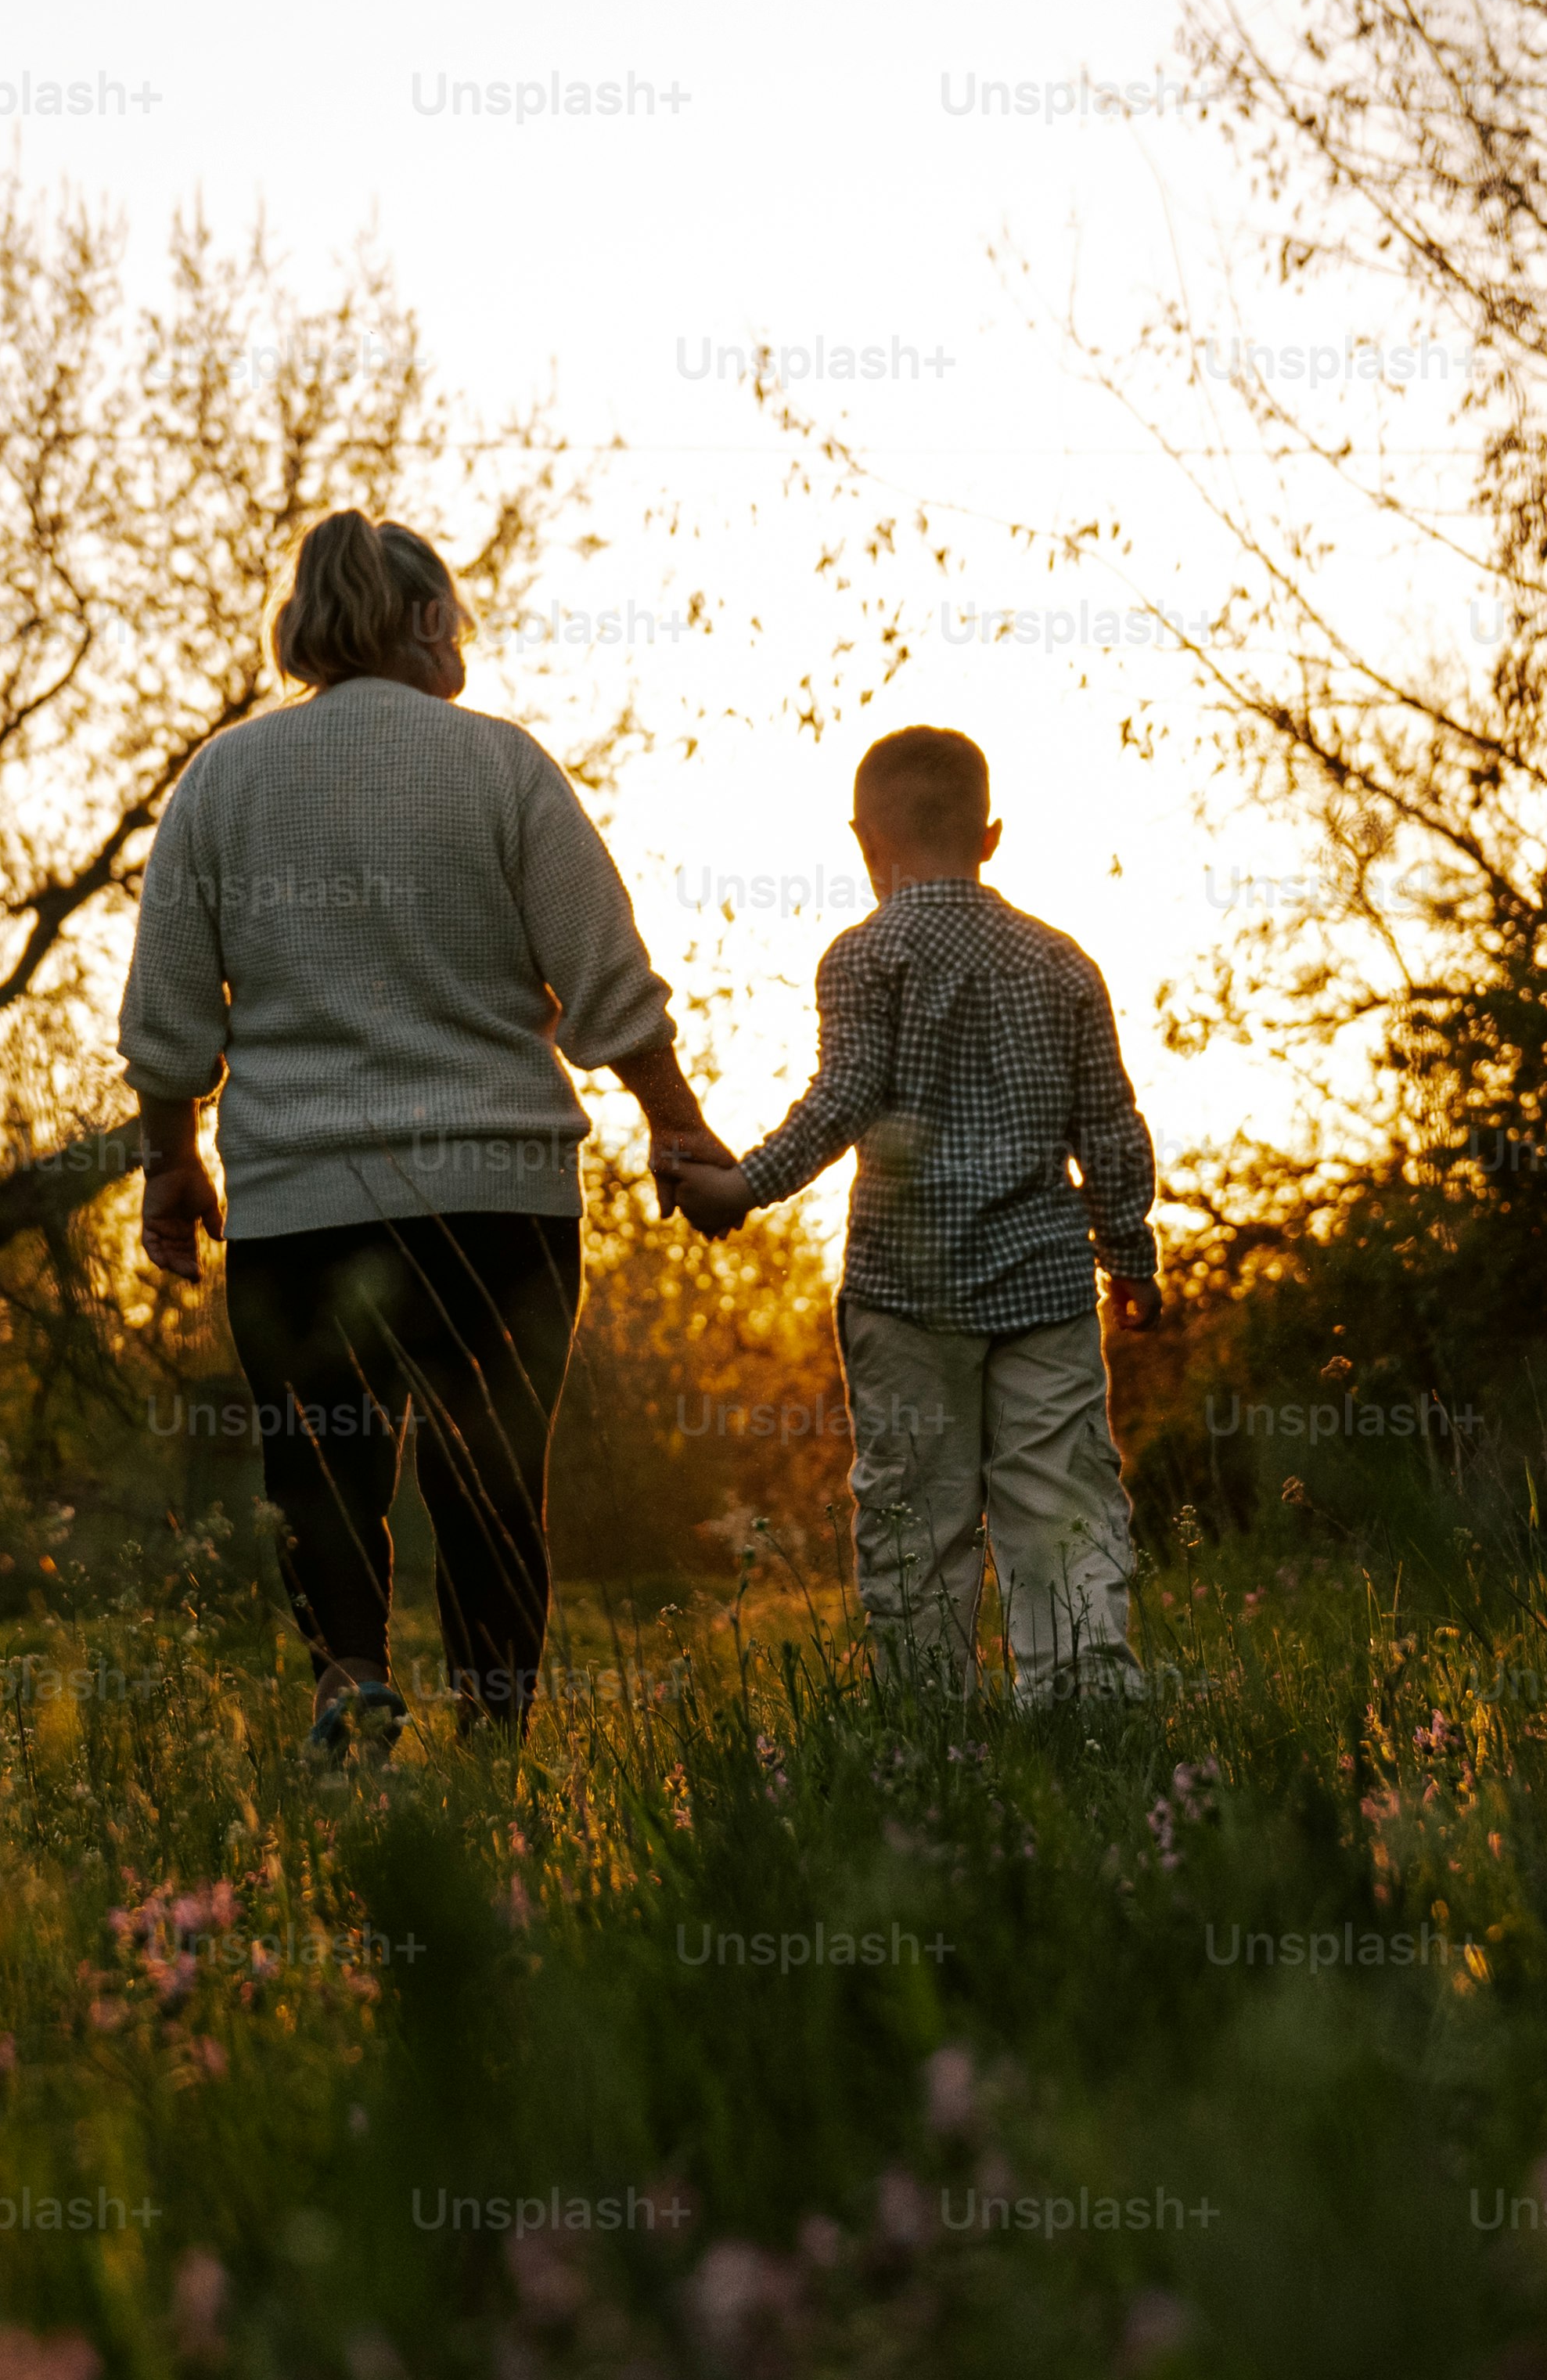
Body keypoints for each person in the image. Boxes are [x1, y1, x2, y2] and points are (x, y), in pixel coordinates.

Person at [117, 512, 725, 1763]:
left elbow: (169, 1009)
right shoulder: (502, 766)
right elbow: (605, 974)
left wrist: (171, 1158)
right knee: (493, 1487)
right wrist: (678, 1125)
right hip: (495, 1204)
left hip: (298, 1209)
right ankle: (496, 1750)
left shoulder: (223, 781)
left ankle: (352, 1696)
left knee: (324, 1483)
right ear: (429, 625)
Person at [660, 726, 1165, 1705]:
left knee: (913, 1521)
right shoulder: (1063, 963)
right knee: (1061, 1509)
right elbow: (1109, 1121)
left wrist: (741, 1186)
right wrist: (1129, 1254)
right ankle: (1086, 1710)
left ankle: (932, 1730)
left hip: (904, 1294)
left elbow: (842, 1097)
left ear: (863, 840)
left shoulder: (863, 956)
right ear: (992, 836)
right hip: (1045, 1287)